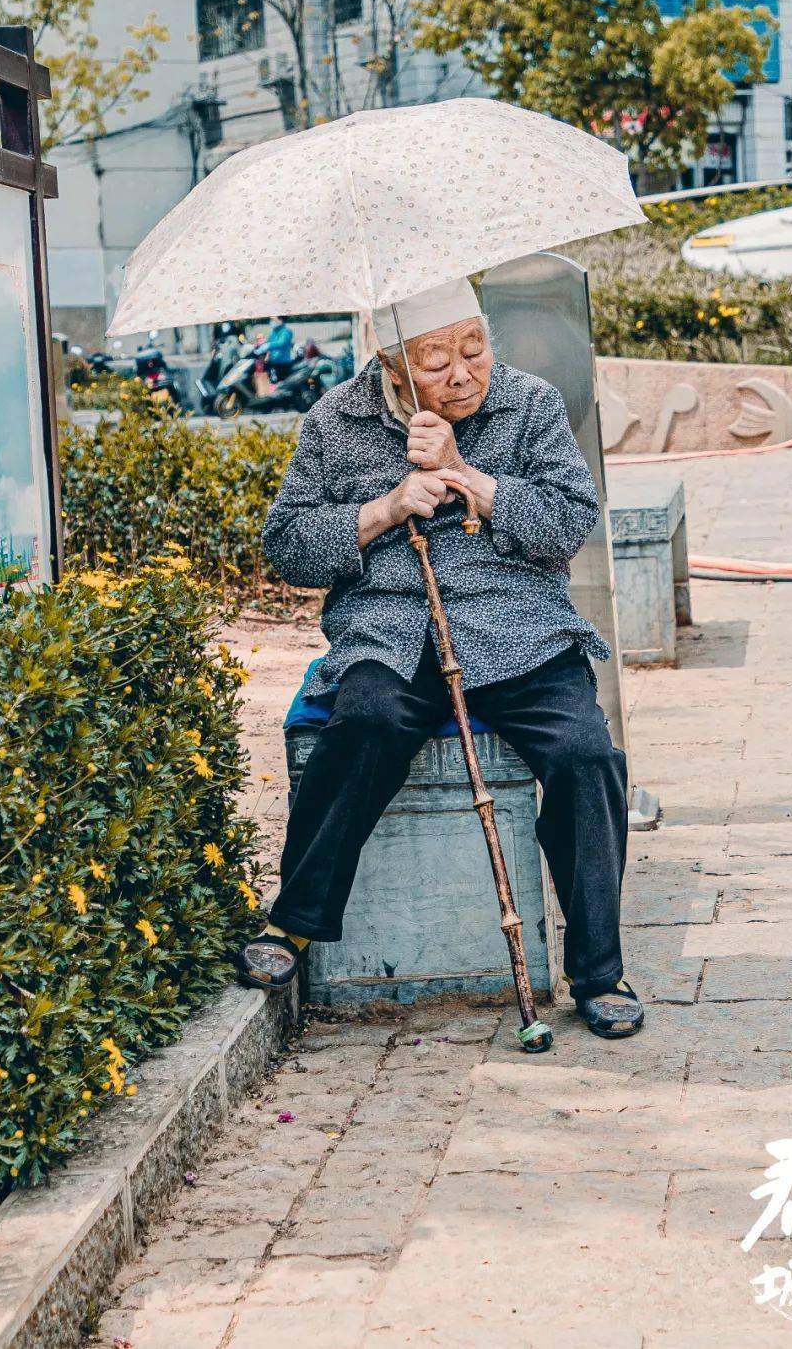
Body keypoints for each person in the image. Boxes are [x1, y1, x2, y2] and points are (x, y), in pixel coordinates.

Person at [238, 277, 642, 1039]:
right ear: (392, 366)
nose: (463, 371)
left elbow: (568, 522)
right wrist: (386, 509)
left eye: (474, 347)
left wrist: (472, 480)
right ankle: (294, 920)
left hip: (517, 622)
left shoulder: (530, 404)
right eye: (434, 359)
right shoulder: (335, 420)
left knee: (587, 754)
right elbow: (287, 545)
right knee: (363, 719)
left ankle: (597, 966)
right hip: (392, 624)